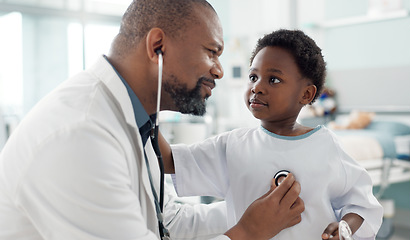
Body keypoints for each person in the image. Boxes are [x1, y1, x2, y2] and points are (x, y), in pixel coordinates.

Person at [0, 1, 305, 239]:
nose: (219, 70)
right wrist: (248, 233)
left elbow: (167, 222)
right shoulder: (81, 135)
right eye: (212, 52)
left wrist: (255, 211)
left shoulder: (136, 122)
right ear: (158, 46)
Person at [164, 29, 384, 239]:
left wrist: (345, 227)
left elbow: (361, 204)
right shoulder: (232, 145)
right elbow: (168, 159)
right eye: (253, 77)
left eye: (274, 80)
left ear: (306, 94)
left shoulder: (327, 146)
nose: (257, 87)